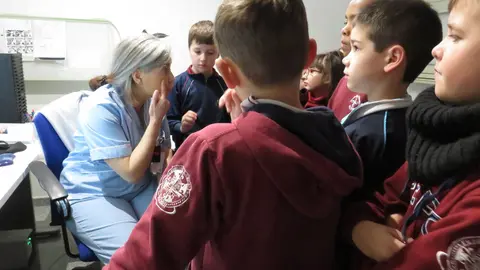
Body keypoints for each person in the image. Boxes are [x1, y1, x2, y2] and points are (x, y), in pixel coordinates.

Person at [105, 0, 362, 269]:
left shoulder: (212, 150)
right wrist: (245, 126)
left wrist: (240, 131)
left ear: (225, 72)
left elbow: (148, 253)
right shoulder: (337, 137)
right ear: (310, 54)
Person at [342, 0, 480, 268]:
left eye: (454, 35)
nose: (436, 50)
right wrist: (361, 226)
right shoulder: (436, 132)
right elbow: (385, 196)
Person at [59, 34, 173, 264]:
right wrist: (154, 122)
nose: (171, 78)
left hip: (139, 187)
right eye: (164, 70)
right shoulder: (101, 108)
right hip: (94, 193)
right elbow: (130, 171)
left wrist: (170, 191)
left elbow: (160, 154)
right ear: (138, 74)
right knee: (137, 261)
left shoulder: (152, 101)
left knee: (175, 242)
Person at [341, 0, 442, 199]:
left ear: (392, 58)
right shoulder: (383, 119)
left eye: (357, 47)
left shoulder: (380, 135)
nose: (346, 58)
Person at [167, 20, 229, 149]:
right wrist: (181, 126)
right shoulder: (177, 84)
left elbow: (230, 121)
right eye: (197, 51)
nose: (203, 58)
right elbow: (168, 122)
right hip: (187, 152)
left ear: (218, 53)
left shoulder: (224, 84)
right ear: (189, 50)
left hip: (218, 151)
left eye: (210, 53)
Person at [327, 0, 374, 120]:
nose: (344, 30)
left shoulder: (378, 91)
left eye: (355, 23)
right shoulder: (345, 80)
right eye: (345, 21)